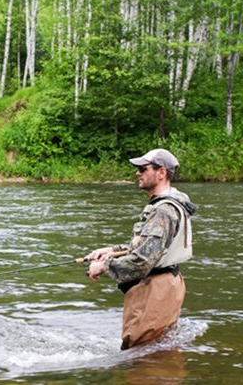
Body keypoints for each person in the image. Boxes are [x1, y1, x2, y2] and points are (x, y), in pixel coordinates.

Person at [85, 148, 196, 350]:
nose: (137, 173)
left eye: (142, 169)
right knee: (157, 351)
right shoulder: (170, 205)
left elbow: (142, 262)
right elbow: (152, 247)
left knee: (140, 352)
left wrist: (103, 266)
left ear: (161, 172)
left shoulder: (163, 211)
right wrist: (112, 250)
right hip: (168, 283)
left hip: (156, 290)